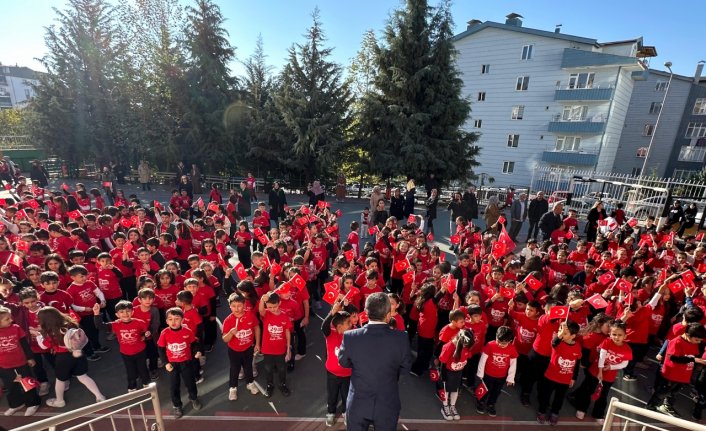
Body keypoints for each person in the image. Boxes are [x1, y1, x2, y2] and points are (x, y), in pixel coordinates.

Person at [338, 292, 412, 431]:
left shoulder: (350, 337)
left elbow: (343, 362)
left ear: (366, 312)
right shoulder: (401, 338)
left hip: (358, 403)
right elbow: (405, 368)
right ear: (388, 313)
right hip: (387, 403)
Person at [157, 307, 203, 419]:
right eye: (170, 319)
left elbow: (194, 344)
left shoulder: (187, 331)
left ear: (182, 320)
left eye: (177, 319)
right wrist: (166, 363)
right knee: (174, 386)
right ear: (167, 321)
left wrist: (197, 351)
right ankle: (177, 405)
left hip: (186, 362)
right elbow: (161, 349)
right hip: (172, 364)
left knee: (190, 383)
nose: (173, 322)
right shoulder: (164, 333)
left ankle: (194, 398)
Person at [322, 300, 352, 426]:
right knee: (332, 395)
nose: (351, 324)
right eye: (348, 322)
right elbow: (324, 326)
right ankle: (331, 413)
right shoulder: (330, 334)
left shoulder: (353, 335)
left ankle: (346, 413)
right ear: (339, 326)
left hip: (348, 374)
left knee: (347, 396)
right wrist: (332, 312)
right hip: (332, 373)